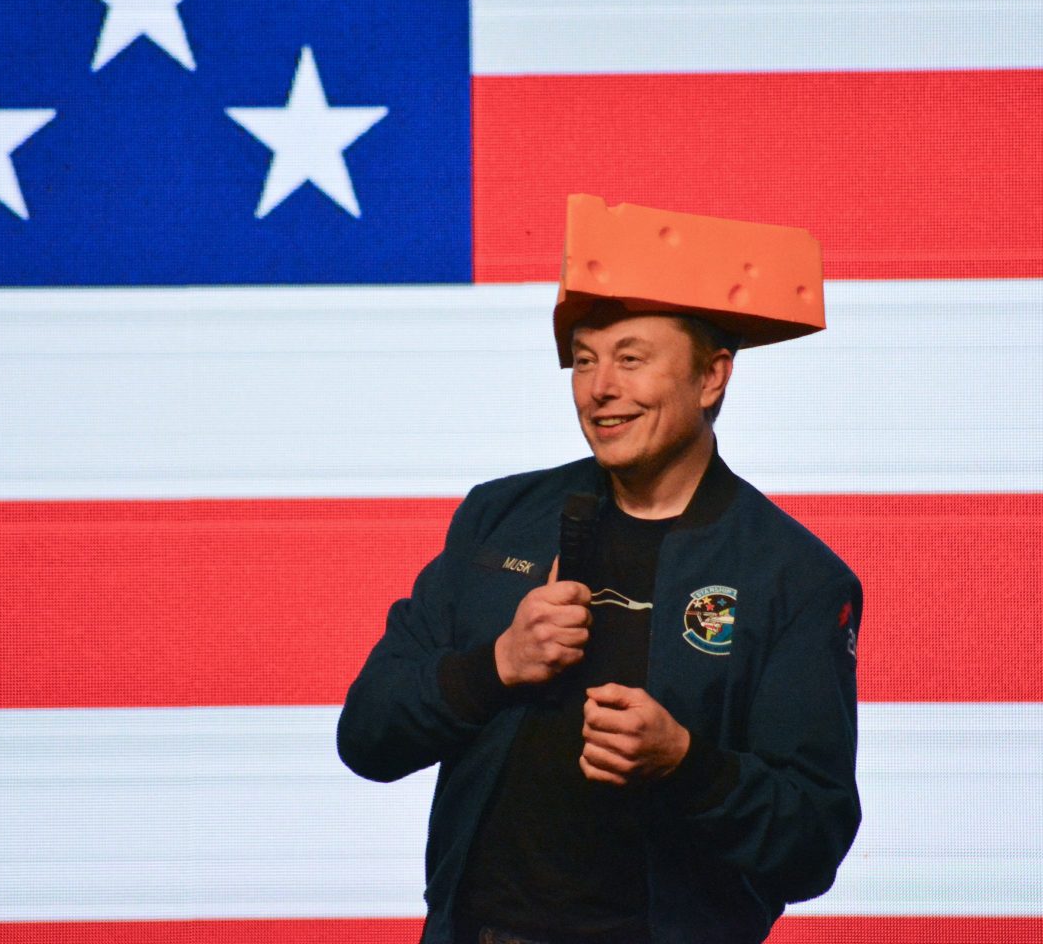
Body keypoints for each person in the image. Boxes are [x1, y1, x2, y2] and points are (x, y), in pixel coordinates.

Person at [337, 196, 862, 944]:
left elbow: (811, 843)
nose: (599, 388)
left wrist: (685, 764)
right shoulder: (498, 518)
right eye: (584, 360)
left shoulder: (793, 577)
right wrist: (497, 665)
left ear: (711, 377)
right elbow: (367, 735)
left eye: (631, 358)